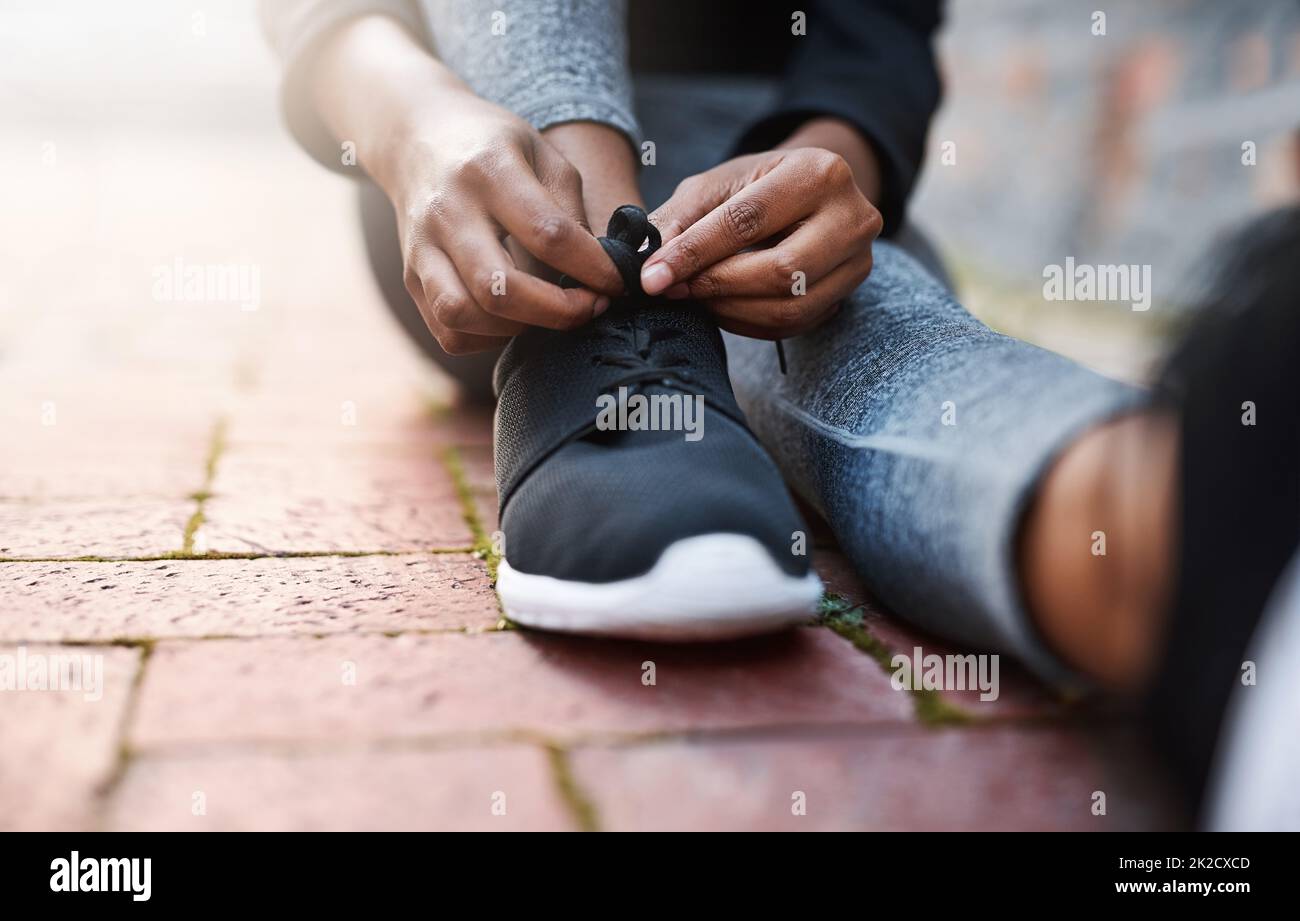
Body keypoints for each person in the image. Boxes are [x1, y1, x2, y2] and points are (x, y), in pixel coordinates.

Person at [260, 1, 1299, 827]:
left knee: (875, 323)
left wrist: (830, 154)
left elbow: (874, 27)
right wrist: (407, 122)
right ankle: (596, 304)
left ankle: (1188, 557)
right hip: (473, 150)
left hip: (753, 140)